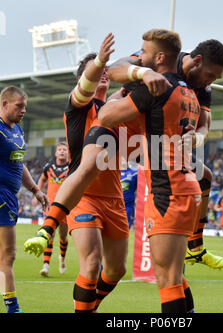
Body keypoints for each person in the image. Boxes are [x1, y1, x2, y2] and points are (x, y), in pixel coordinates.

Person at [24, 33, 129, 313]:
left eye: (106, 72)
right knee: (92, 262)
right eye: (97, 72)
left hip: (114, 196)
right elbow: (86, 84)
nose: (103, 74)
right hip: (83, 195)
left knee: (117, 270)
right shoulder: (78, 107)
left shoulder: (116, 110)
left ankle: (89, 305)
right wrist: (100, 61)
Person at [98, 28, 201, 313]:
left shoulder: (156, 88)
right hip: (184, 185)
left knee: (167, 278)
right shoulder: (187, 90)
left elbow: (105, 115)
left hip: (167, 192)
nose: (138, 57)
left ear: (158, 57)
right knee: (176, 275)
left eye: (143, 53)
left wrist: (118, 98)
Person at [107, 39, 223, 270]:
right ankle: (52, 225)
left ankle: (195, 248)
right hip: (121, 132)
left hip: (156, 144)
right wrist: (143, 72)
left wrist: (198, 137)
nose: (210, 81)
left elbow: (205, 125)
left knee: (204, 175)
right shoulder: (165, 61)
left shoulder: (202, 88)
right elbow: (114, 68)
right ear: (196, 61)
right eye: (210, 75)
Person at [0, 86, 49, 313]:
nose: (24, 110)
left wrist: (35, 190)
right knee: (8, 255)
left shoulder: (17, 131)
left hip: (10, 198)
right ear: (4, 104)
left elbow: (19, 164)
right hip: (1, 197)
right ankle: (13, 308)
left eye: (25, 106)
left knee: (6, 256)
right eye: (19, 105)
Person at [32, 142, 69, 277]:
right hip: (51, 205)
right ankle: (46, 266)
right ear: (55, 153)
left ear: (67, 153)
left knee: (63, 236)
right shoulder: (48, 167)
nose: (62, 152)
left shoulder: (71, 168)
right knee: (49, 234)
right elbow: (42, 180)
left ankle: (62, 258)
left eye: (64, 150)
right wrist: (38, 193)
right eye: (59, 149)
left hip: (66, 205)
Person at [120, 160, 138, 230]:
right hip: (114, 206)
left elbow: (140, 189)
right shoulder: (114, 172)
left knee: (126, 228)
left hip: (128, 206)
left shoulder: (134, 173)